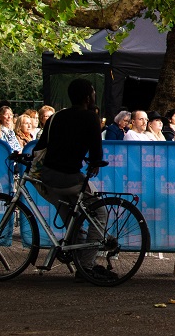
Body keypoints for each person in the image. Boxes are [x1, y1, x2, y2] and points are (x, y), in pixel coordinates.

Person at [33, 78, 113, 281]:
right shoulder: (90, 118)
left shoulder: (55, 117)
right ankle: (87, 265)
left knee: (72, 219)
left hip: (48, 179)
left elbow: (39, 148)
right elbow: (96, 154)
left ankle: (78, 258)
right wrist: (93, 162)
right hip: (71, 180)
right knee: (100, 213)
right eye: (94, 93)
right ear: (88, 97)